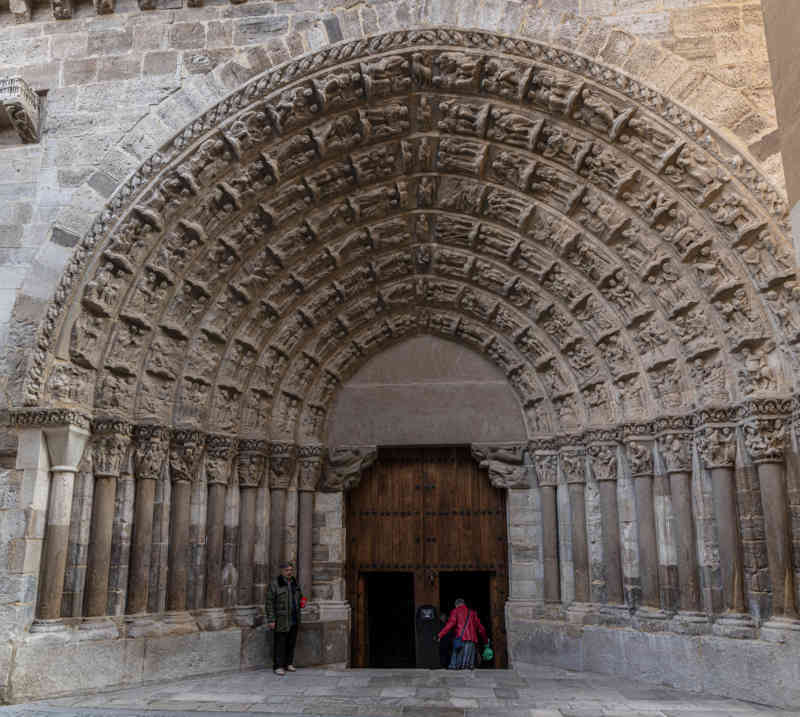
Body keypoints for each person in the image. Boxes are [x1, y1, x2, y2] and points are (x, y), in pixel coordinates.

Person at [266, 561, 304, 676]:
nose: (289, 572)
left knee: (291, 642)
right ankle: (278, 666)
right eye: (287, 570)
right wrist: (271, 620)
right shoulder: (275, 584)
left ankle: (288, 663)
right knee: (280, 643)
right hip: (281, 619)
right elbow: (269, 603)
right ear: (282, 571)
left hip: (294, 618)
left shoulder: (294, 583)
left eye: (291, 570)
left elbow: (300, 596)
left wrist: (302, 601)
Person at [435, 598, 487, 670]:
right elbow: (481, 629)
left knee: (456, 665)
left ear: (456, 605)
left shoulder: (455, 611)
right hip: (471, 641)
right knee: (468, 666)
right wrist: (485, 641)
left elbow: (450, 625)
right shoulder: (472, 613)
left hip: (460, 640)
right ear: (464, 604)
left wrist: (440, 635)